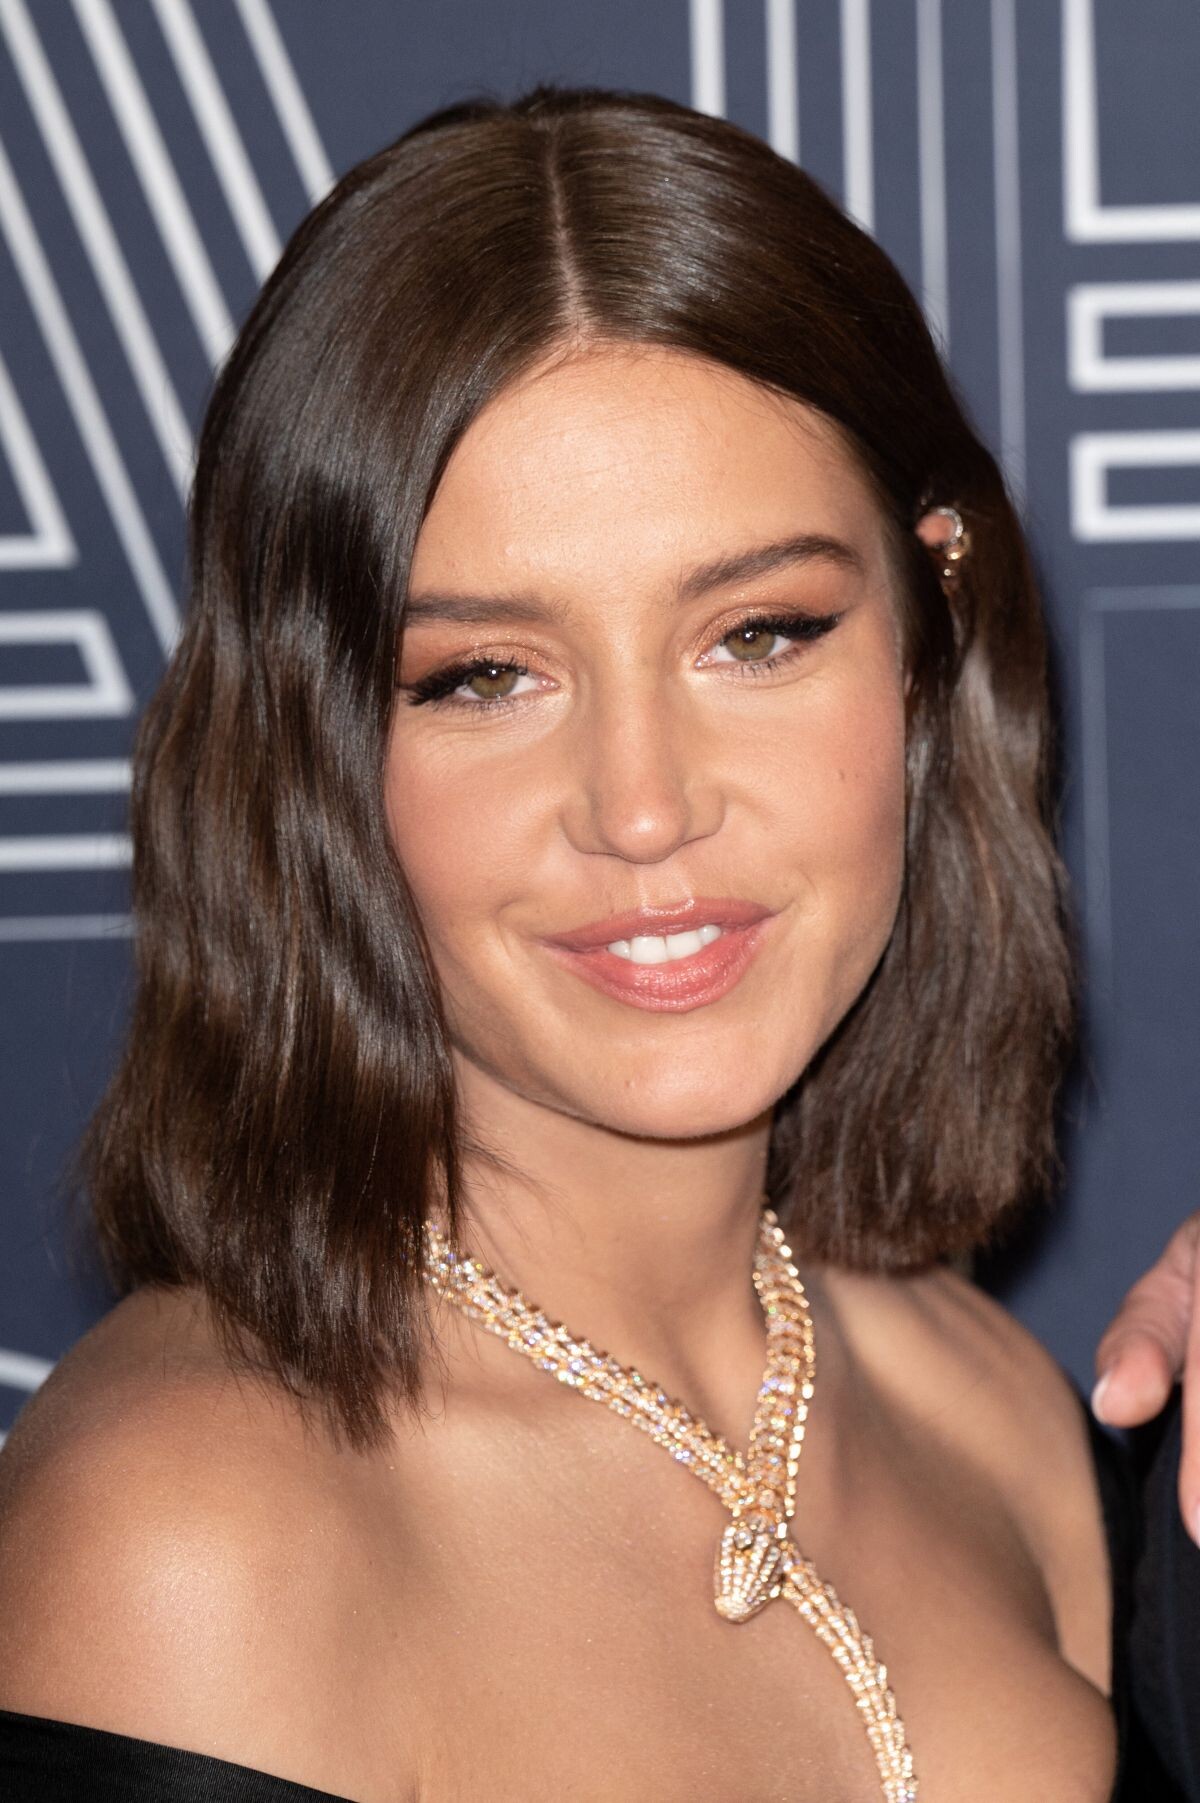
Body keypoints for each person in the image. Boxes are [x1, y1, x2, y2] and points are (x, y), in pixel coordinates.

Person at [0, 83, 1194, 1801]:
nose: (642, 808)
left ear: (933, 624)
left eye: (758, 634)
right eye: (486, 676)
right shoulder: (189, 1545)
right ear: (313, 746)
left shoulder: (1001, 1416)